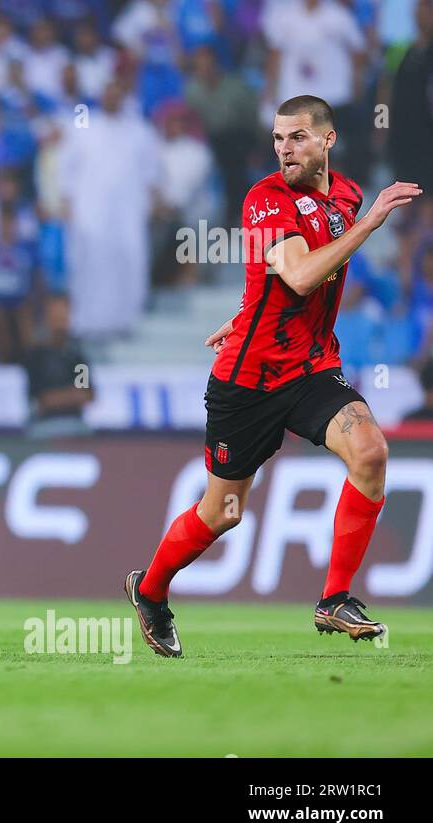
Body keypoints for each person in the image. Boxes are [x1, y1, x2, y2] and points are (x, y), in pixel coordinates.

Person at [126, 95, 423, 657]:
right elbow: (303, 275)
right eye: (279, 139)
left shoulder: (346, 195)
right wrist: (373, 222)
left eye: (298, 137)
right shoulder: (267, 199)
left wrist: (243, 311)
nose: (285, 149)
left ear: (327, 141)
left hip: (312, 367)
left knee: (371, 452)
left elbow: (278, 279)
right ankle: (150, 591)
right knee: (222, 513)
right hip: (249, 381)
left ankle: (335, 598)